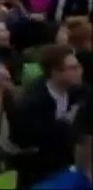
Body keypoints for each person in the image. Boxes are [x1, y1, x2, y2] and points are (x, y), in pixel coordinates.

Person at [13, 44, 87, 187]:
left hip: (70, 164)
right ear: (55, 72)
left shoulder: (80, 93)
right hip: (40, 171)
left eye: (79, 66)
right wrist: (67, 121)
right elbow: (36, 140)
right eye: (73, 68)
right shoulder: (33, 102)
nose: (80, 71)